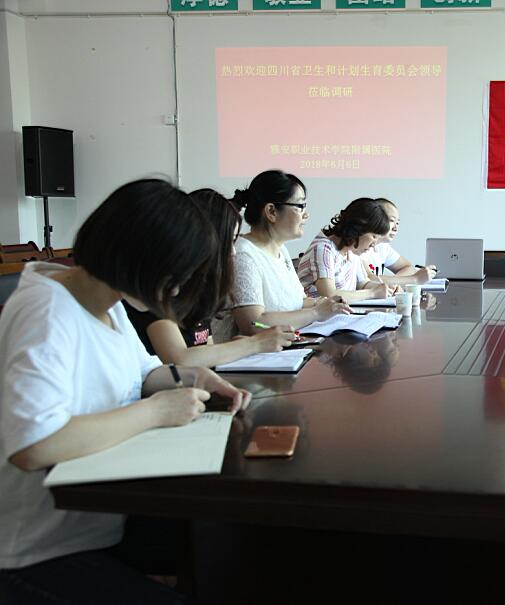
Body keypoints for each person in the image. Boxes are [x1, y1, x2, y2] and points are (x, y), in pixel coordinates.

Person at [0, 179, 251, 603]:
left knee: (231, 550)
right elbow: (33, 445)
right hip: (37, 549)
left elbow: (145, 371)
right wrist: (154, 412)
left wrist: (191, 378)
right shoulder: (46, 312)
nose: (177, 290)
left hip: (99, 523)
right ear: (141, 258)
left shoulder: (106, 302)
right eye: (177, 275)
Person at [126, 188, 297, 366]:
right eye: (229, 241)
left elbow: (205, 352)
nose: (233, 251)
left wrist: (237, 347)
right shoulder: (162, 290)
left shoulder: (201, 291)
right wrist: (254, 344)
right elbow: (180, 359)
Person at [216, 170, 349, 341]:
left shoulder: (281, 250)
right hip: (256, 354)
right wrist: (316, 312)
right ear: (271, 211)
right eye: (300, 206)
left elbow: (298, 301)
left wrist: (326, 303)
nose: (306, 214)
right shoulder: (244, 254)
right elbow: (253, 323)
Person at [297, 197, 395, 302]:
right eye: (374, 236)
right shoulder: (323, 249)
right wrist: (372, 293)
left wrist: (386, 289)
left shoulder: (351, 251)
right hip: (315, 311)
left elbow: (363, 284)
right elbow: (330, 295)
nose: (374, 244)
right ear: (359, 228)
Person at [356, 198, 438, 286]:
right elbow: (368, 279)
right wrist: (414, 279)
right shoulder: (360, 246)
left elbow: (408, 267)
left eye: (397, 223)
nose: (395, 228)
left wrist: (395, 282)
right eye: (391, 220)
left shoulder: (383, 246)